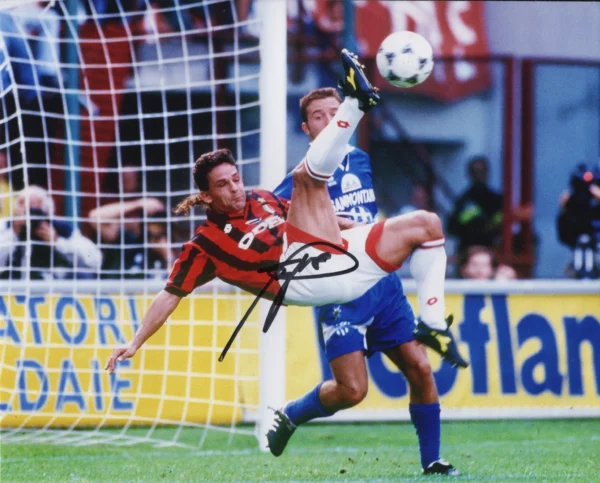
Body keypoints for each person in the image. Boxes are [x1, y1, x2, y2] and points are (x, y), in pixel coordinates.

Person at [105, 49, 467, 462]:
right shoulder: (205, 245)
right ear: (207, 195)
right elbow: (169, 294)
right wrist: (135, 342)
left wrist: (361, 231)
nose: (236, 188)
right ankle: (357, 103)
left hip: (346, 259)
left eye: (237, 178)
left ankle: (433, 328)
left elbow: (325, 219)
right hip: (306, 278)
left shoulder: (267, 197)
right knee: (352, 389)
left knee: (427, 224)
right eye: (223, 185)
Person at [270, 87, 457, 475]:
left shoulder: (360, 160)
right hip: (338, 288)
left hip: (382, 286)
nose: (328, 120)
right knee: (352, 391)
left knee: (420, 368)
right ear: (307, 129)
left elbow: (369, 217)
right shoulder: (302, 175)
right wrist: (347, 226)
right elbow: (279, 216)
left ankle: (433, 460)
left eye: (334, 112)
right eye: (318, 116)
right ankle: (291, 414)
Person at [0, 185, 102, 280]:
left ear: (48, 210)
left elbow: (94, 260)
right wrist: (13, 234)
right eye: (22, 203)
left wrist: (57, 242)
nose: (27, 210)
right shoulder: (6, 226)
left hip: (52, 290)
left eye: (33, 206)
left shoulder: (60, 228)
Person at [447, 156, 533, 256]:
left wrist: (516, 215)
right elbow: (451, 229)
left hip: (493, 252)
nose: (479, 175)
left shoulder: (498, 200)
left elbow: (503, 223)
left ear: (488, 173)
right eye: (475, 172)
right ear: (469, 174)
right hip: (468, 252)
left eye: (482, 171)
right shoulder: (462, 201)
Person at [87, 197, 174, 279]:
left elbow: (175, 286)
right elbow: (94, 216)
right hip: (114, 292)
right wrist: (138, 204)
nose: (156, 226)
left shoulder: (166, 252)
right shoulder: (126, 240)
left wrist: (167, 255)